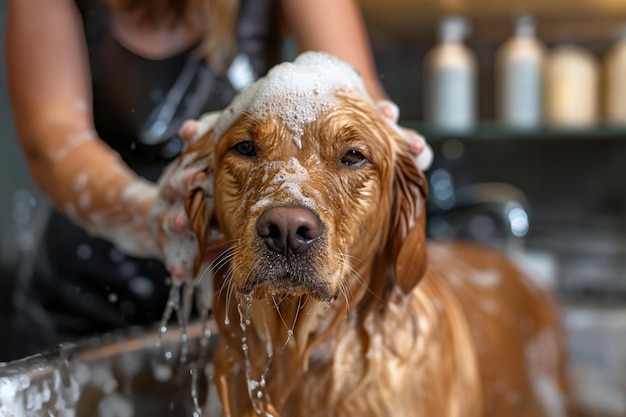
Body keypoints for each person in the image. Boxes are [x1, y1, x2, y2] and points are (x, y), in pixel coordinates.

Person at [6, 0, 431, 360]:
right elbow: (54, 144)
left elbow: (356, 98)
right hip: (79, 301)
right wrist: (146, 216)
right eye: (246, 147)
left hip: (231, 306)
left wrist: (373, 145)